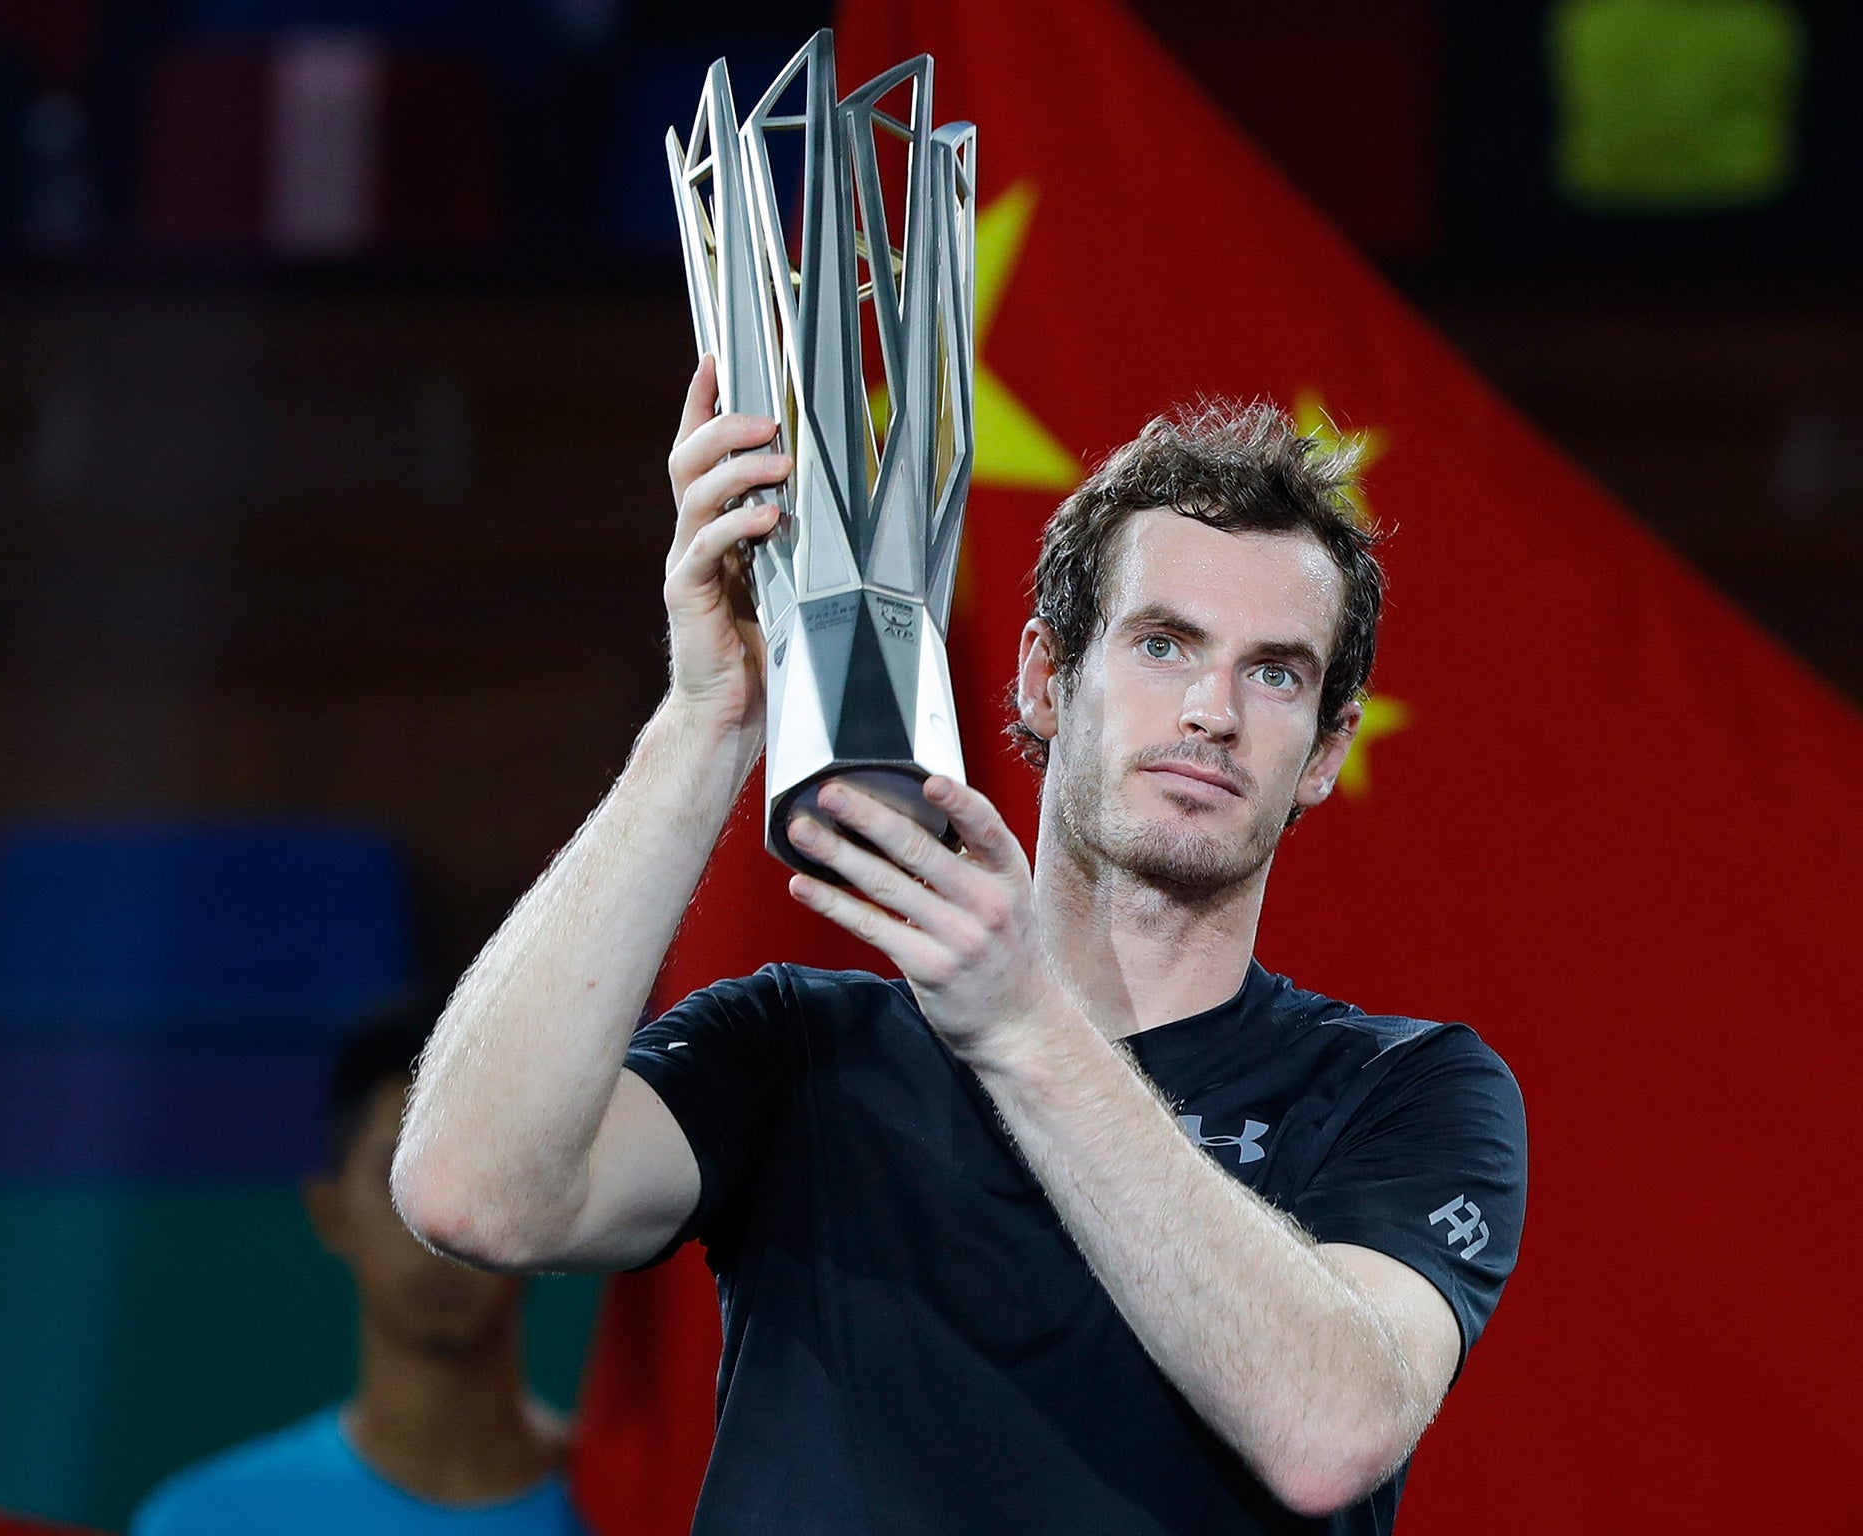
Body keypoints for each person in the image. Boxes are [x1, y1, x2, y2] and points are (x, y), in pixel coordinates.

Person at [392, 358, 1527, 1534]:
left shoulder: (1407, 1091)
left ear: (1328, 749)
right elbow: (472, 1195)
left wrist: (1022, 1025)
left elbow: (1329, 1433)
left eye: (1274, 674)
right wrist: (706, 719)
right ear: (1043, 678)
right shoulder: (802, 1048)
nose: (1211, 710)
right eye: (1160, 645)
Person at [132, 1000, 589, 1536]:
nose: (443, 1230)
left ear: (549, 1212)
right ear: (332, 1212)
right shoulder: (204, 1524)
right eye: (401, 1179)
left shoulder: (657, 1512)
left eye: (486, 1178)